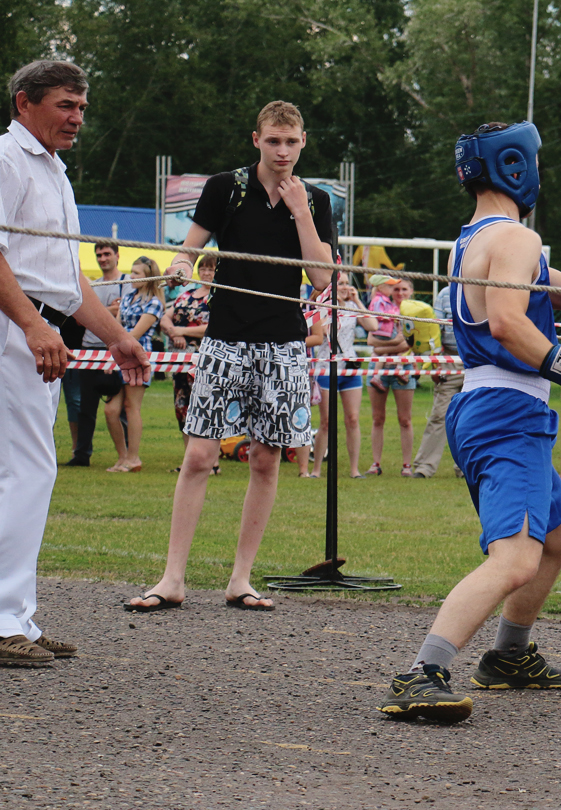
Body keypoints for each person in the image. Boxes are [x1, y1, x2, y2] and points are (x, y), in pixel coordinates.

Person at [377, 121, 561, 722]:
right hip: (507, 410)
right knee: (517, 558)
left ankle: (509, 655)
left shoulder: (476, 237)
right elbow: (505, 321)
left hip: (493, 406)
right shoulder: (518, 238)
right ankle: (422, 672)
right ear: (517, 167)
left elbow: (559, 294)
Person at [0, 60, 149, 664]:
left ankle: (11, 617)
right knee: (13, 471)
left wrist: (117, 337)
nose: (77, 118)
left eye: (82, 107)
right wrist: (35, 325)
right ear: (24, 103)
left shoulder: (52, 172)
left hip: (29, 325)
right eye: (66, 104)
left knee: (19, 471)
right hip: (3, 323)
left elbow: (65, 280)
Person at [125, 99, 332, 614]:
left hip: (283, 343)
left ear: (303, 142)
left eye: (291, 141)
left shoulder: (318, 199)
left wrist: (301, 211)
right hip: (225, 340)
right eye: (273, 141)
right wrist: (177, 263)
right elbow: (189, 249)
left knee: (266, 459)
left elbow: (324, 278)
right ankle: (172, 578)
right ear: (256, 139)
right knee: (199, 455)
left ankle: (241, 579)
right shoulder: (226, 187)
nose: (282, 151)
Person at [68, 240, 131, 467]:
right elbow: (79, 316)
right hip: (89, 349)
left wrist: (96, 312)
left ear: (117, 255)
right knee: (86, 406)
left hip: (113, 350)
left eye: (106, 254)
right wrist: (109, 310)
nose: (103, 258)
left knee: (118, 408)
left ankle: (125, 455)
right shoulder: (92, 285)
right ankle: (82, 454)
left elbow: (126, 311)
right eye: (99, 255)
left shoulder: (128, 282)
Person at [308, 274, 376, 479]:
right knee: (327, 421)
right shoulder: (321, 307)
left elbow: (372, 326)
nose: (345, 286)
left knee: (353, 419)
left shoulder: (351, 307)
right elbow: (325, 334)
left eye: (347, 283)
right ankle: (317, 469)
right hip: (327, 366)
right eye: (341, 283)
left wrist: (356, 301)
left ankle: (354, 470)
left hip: (349, 367)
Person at [103, 257, 163, 472]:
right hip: (119, 356)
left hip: (139, 356)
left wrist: (117, 343)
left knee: (131, 407)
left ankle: (133, 458)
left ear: (149, 277)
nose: (132, 277)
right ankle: (122, 457)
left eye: (137, 273)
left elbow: (135, 334)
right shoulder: (127, 298)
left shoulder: (155, 302)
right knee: (111, 410)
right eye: (132, 272)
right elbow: (115, 326)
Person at [160, 253, 216, 472]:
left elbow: (213, 328)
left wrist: (181, 330)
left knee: (205, 409)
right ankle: (188, 461)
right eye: (203, 269)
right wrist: (174, 334)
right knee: (182, 409)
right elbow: (166, 317)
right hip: (180, 362)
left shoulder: (218, 299)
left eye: (211, 270)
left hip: (205, 363)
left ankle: (212, 462)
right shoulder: (186, 296)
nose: (206, 273)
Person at [366, 279, 423, 476]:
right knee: (377, 417)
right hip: (378, 367)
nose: (399, 292)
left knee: (405, 419)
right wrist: (395, 344)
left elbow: (408, 345)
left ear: (411, 292)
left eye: (403, 289)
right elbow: (371, 340)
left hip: (403, 367)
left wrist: (384, 348)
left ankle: (407, 465)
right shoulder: (383, 308)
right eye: (395, 289)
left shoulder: (416, 313)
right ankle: (375, 463)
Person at [411, 282, 464, 478]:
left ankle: (466, 468)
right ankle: (424, 467)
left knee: (471, 417)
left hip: (476, 360)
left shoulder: (484, 290)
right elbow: (435, 331)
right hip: (448, 360)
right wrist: (436, 363)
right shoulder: (445, 294)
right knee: (439, 415)